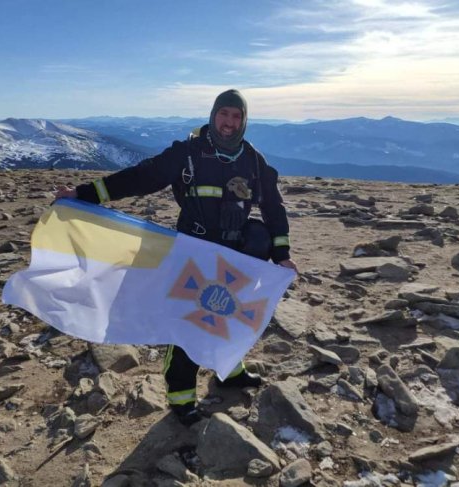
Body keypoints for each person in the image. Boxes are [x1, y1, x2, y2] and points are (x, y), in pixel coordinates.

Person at [55, 89, 297, 425]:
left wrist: (282, 254)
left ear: (244, 120)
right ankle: (181, 398)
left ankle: (229, 369)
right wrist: (84, 195)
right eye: (223, 115)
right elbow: (141, 177)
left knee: (232, 314)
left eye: (236, 116)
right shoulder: (188, 154)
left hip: (234, 257)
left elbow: (274, 209)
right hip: (193, 258)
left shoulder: (253, 161)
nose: (229, 123)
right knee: (188, 324)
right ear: (213, 116)